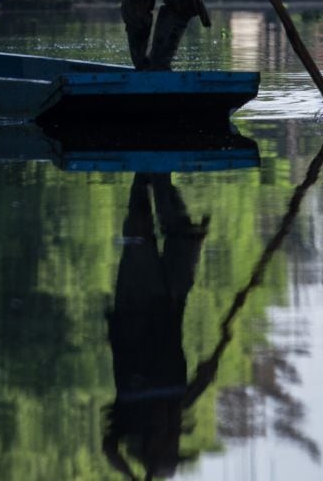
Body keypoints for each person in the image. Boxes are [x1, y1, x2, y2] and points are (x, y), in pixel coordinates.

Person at [102, 172, 211, 478]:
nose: (175, 442)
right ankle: (160, 171)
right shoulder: (177, 406)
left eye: (170, 448)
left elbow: (109, 449)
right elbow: (201, 379)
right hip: (171, 304)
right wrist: (206, 376)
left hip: (136, 306)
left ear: (152, 446)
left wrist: (134, 478)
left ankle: (141, 171)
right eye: (175, 448)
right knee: (185, 237)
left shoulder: (128, 420)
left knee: (139, 230)